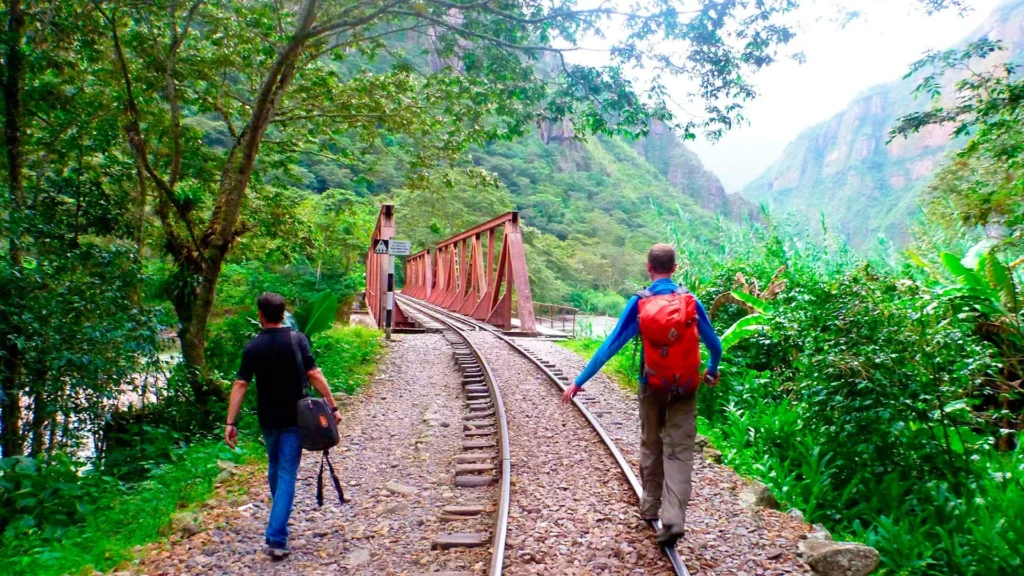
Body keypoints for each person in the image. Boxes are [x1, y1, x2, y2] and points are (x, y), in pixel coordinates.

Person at [561, 243, 722, 546]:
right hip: (686, 387)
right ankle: (673, 519)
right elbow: (715, 345)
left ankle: (650, 506)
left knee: (651, 443)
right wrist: (711, 369)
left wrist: (579, 382)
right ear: (675, 268)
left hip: (652, 386)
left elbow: (610, 346)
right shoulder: (690, 301)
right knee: (680, 451)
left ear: (649, 268)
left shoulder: (640, 303)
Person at [224, 292, 342, 560]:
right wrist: (332, 405)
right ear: (283, 313)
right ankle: (276, 537)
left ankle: (279, 518)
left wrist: (230, 422)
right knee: (287, 472)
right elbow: (314, 374)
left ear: (260, 316)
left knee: (275, 468)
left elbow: (240, 384)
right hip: (294, 419)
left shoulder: (253, 346)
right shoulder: (296, 339)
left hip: (267, 419)